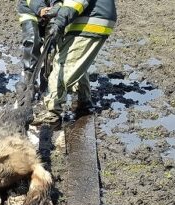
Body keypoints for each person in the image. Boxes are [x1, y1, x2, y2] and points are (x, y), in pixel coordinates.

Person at [32, 0, 117, 128]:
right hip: (88, 18)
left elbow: (76, 2)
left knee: (63, 64)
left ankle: (52, 112)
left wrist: (59, 22)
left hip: (91, 20)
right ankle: (84, 100)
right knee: (76, 62)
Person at [16, 0, 62, 86]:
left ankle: (47, 83)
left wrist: (57, 5)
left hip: (51, 14)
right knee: (32, 41)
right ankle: (27, 80)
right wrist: (41, 9)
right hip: (29, 10)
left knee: (51, 48)